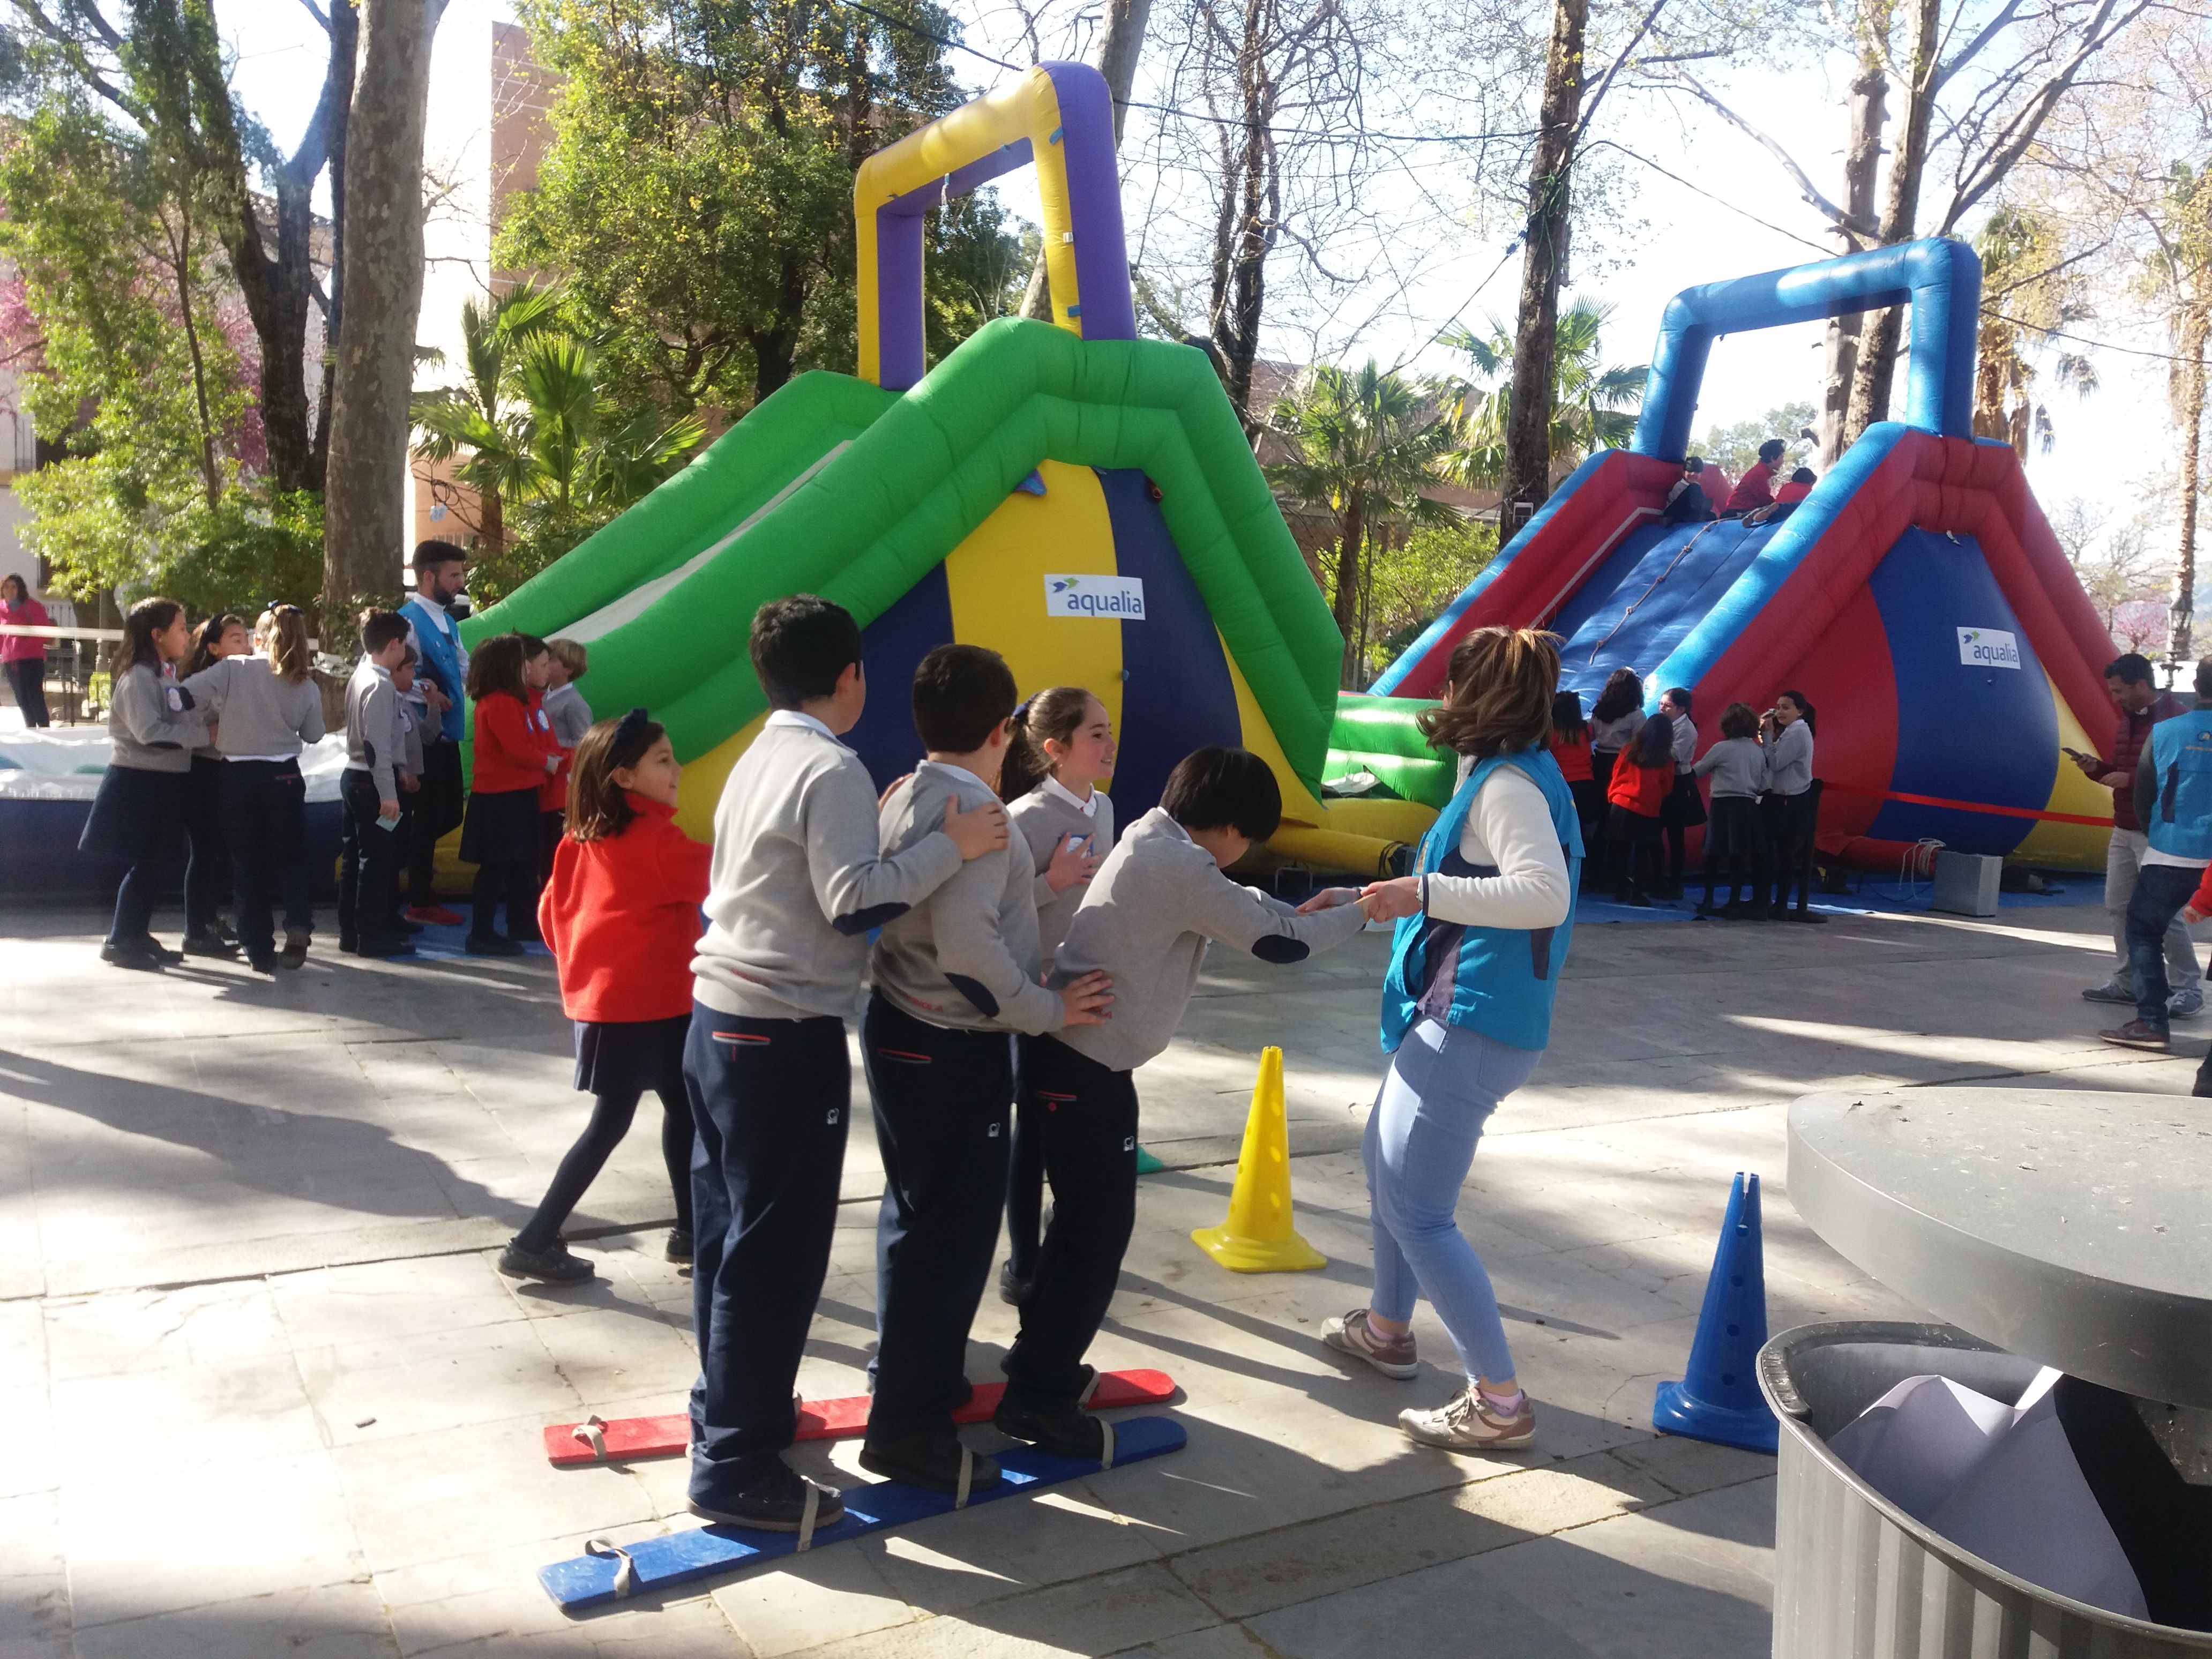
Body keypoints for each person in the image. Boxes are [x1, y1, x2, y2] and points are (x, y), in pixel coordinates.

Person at [685, 595, 1008, 1531]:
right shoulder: (829, 766)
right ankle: (736, 1468)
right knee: (774, 1257)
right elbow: (850, 903)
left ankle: (730, 1412)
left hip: (717, 1018)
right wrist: (953, 846)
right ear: (851, 675)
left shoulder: (762, 751)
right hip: (779, 1031)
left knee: (728, 1236)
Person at [998, 746, 1370, 1456]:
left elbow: (1252, 909)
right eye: (1248, 839)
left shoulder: (1155, 837)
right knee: (1093, 1238)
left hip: (1078, 1061)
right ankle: (1037, 1400)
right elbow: (1278, 945)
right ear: (1227, 825)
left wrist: (1317, 907)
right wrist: (1364, 913)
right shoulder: (1178, 863)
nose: (1245, 853)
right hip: (1083, 1067)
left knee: (1080, 1226)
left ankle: (1036, 1362)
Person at [864, 644, 1115, 1495]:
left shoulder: (907, 789)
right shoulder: (983, 812)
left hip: (899, 1024)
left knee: (917, 1222)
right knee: (951, 1243)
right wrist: (1051, 1009)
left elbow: (940, 912)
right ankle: (906, 1433)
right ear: (1006, 729)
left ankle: (915, 1382)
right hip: (948, 1043)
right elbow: (970, 952)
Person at [1325, 625, 1581, 1452]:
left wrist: (1424, 889)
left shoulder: (1510, 787)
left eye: (1450, 687)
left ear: (1478, 697)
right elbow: (1475, 873)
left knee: (1420, 1212)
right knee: (1385, 1171)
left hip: (1472, 1025)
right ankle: (1387, 1329)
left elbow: (1543, 895)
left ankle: (1499, 1402)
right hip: (1454, 1018)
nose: (1439, 701)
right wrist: (1405, 881)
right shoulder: (1505, 776)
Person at [501, 711, 712, 1282]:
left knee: (681, 1108)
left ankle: (691, 1234)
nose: (677, 769)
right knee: (614, 1123)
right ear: (623, 777)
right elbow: (732, 878)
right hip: (654, 1005)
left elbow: (551, 917)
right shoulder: (657, 842)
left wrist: (589, 963)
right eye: (662, 760)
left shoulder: (579, 837)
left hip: (610, 1007)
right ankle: (533, 1240)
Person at [997, 685, 1116, 1306]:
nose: (1109, 743)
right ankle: (1021, 1261)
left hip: (1085, 988)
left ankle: (1063, 1237)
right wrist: (1053, 881)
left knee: (1074, 1125)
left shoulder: (1106, 808)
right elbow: (996, 912)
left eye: (1109, 730)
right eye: (1095, 733)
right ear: (1054, 748)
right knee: (1033, 1130)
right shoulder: (1024, 820)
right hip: (1034, 992)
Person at [184, 605, 326, 974]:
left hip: (238, 775)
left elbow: (184, 695)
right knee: (292, 856)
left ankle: (258, 947)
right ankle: (297, 922)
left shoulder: (234, 670)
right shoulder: (305, 682)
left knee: (246, 863)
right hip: (284, 775)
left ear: (257, 639)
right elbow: (314, 734)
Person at [78, 597, 205, 970]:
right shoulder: (137, 678)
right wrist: (205, 734)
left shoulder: (163, 674)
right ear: (157, 634)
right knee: (146, 863)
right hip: (140, 783)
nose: (187, 634)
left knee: (157, 861)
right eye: (181, 628)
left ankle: (135, 931)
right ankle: (121, 938)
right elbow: (150, 733)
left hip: (165, 783)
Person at [2074, 653, 2200, 1017]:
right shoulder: (2127, 723)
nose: (2115, 699)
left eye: (2119, 691)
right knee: (2118, 907)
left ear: (2141, 685)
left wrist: (2130, 779)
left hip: (2157, 833)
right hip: (2124, 828)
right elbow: (2128, 772)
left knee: (2164, 913)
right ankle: (2130, 981)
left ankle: (2188, 986)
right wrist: (2097, 770)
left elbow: (2182, 780)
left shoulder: (2176, 721)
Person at [2097, 657, 2212, 1053]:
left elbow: (2145, 792)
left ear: (2196, 686)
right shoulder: (2145, 723)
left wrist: (2158, 834)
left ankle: (2153, 1019)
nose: (2116, 698)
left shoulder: (2168, 730)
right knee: (2132, 913)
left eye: (2118, 690)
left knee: (2145, 926)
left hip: (2173, 849)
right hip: (2182, 847)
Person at [460, 633, 560, 956]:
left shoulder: (505, 700)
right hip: (501, 798)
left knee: (519, 864)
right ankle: (482, 933)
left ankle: (520, 923)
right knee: (496, 868)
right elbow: (516, 749)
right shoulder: (501, 702)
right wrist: (549, 762)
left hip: (512, 794)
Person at [338, 609, 419, 959]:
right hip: (371, 784)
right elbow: (375, 745)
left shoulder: (362, 674)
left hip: (357, 777)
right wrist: (389, 793)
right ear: (394, 645)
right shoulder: (381, 684)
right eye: (405, 644)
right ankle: (370, 934)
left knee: (358, 856)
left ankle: (352, 930)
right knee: (377, 860)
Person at [401, 541, 472, 926]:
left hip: (448, 733)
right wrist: (429, 695)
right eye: (454, 575)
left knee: (445, 812)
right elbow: (396, 672)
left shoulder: (448, 621)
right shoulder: (408, 620)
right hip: (422, 734)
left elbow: (463, 667)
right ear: (429, 577)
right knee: (429, 814)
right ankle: (419, 894)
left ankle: (418, 872)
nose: (460, 583)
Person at [178, 614, 250, 958]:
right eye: (236, 639)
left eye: (246, 638)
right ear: (214, 647)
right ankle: (195, 930)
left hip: (227, 771)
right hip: (202, 772)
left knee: (220, 852)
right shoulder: (201, 682)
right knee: (204, 851)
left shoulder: (243, 677)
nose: (246, 645)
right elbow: (192, 724)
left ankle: (210, 918)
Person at [1693, 702, 1768, 917]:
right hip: (1748, 806)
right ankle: (1734, 901)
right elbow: (1764, 783)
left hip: (1724, 805)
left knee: (1714, 854)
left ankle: (1708, 899)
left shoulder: (1722, 748)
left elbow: (1698, 771)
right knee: (1739, 857)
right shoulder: (1757, 751)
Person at [1760, 691, 1819, 921]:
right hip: (1783, 798)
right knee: (1778, 853)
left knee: (1781, 853)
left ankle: (1779, 903)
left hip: (1787, 800)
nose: (1780, 712)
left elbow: (1775, 763)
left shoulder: (1797, 733)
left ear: (1800, 711)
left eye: (1786, 708)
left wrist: (1767, 739)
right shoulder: (1794, 732)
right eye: (1778, 707)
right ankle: (1772, 900)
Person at [1605, 713, 1673, 906]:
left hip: (1622, 803)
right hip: (1648, 808)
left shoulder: (1628, 750)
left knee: (1620, 849)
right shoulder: (1665, 760)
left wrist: (1613, 796)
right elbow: (1667, 786)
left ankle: (1620, 889)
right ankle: (1637, 893)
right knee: (1643, 852)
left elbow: (1616, 774)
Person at [1657, 686, 1705, 898]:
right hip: (1661, 781)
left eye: (1668, 706)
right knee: (1654, 831)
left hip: (1678, 782)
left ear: (1682, 709)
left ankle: (1675, 883)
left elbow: (1674, 755)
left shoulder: (1686, 729)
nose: (1662, 709)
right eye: (1661, 704)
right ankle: (1657, 879)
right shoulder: (1662, 723)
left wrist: (1651, 748)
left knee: (1676, 835)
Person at [1550, 690, 1602, 858]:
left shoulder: (1552, 734)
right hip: (1586, 785)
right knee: (1586, 830)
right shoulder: (1586, 730)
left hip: (1563, 786)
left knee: (1563, 830)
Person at [1, 573, 51, 727]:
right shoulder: (1, 608)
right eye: (6, 587)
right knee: (21, 698)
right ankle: (31, 728)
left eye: (13, 586)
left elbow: (43, 631)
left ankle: (44, 729)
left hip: (31, 659)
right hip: (11, 660)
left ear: (20, 589)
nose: (9, 590)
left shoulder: (33, 606)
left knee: (34, 696)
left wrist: (22, 644)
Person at [1587, 668, 1643, 799]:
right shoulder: (1636, 714)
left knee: (1600, 798)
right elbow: (1639, 743)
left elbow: (1591, 734)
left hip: (1600, 760)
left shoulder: (1600, 710)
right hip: (1622, 762)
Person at [543, 639, 594, 747]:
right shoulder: (540, 695)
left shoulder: (574, 704)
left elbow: (584, 744)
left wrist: (549, 744)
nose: (544, 664)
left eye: (551, 660)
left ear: (569, 669)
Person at [1725, 438, 1787, 515]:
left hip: (1742, 510)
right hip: (1738, 512)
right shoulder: (1759, 474)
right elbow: (1766, 500)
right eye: (1781, 458)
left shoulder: (1761, 472)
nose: (1783, 461)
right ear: (1772, 458)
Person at [1661, 459, 1716, 525]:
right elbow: (1680, 504)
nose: (1693, 474)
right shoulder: (1680, 486)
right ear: (1684, 473)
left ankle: (1702, 511)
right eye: (1690, 471)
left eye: (1697, 472)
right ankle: (1701, 509)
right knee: (1694, 487)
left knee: (1712, 516)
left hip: (1688, 512)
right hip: (1672, 514)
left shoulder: (1697, 486)